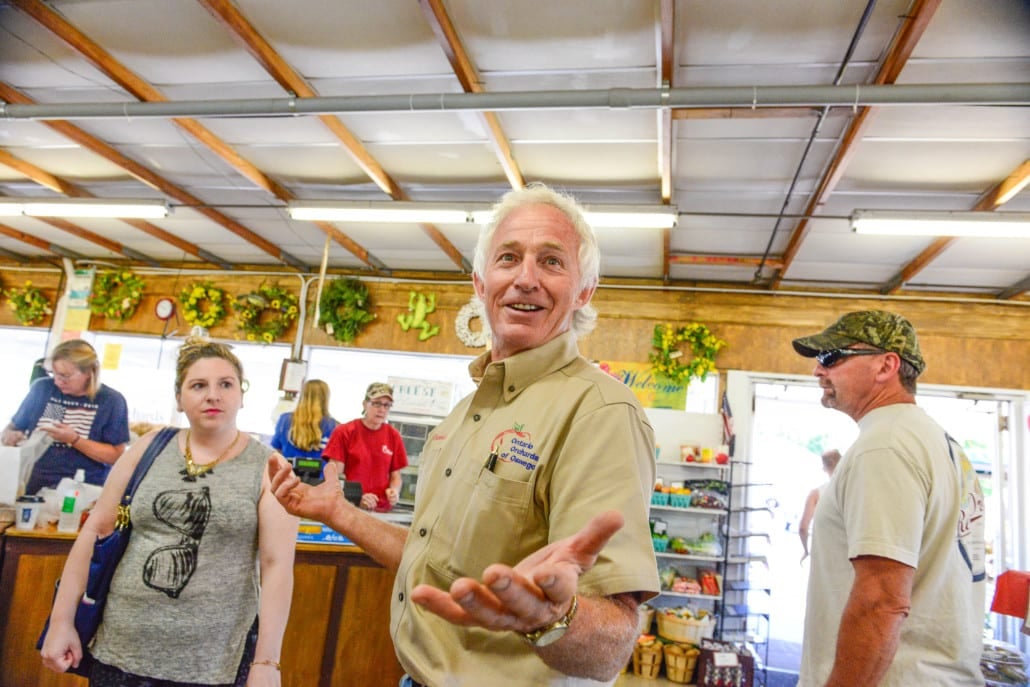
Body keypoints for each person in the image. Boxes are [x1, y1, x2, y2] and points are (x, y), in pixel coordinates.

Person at [268, 182, 660, 686]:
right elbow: (430, 561)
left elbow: (611, 649)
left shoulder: (600, 411)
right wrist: (335, 511)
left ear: (584, 291)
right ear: (480, 283)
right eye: (508, 257)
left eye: (552, 261)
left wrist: (550, 618)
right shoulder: (465, 413)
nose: (525, 278)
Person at [40, 336, 298, 686]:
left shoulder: (268, 466)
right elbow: (95, 531)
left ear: (241, 394)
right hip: (119, 651)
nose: (213, 395)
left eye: (226, 384)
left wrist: (267, 662)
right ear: (179, 397)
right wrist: (61, 621)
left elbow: (277, 566)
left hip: (212, 664)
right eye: (198, 385)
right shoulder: (149, 447)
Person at [792, 310, 985, 686]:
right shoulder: (936, 441)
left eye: (832, 357)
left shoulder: (885, 446)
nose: (818, 371)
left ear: (886, 365)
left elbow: (881, 600)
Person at [2, 339, 130, 494]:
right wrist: (9, 435)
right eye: (54, 374)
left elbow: (115, 455)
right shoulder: (43, 388)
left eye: (65, 376)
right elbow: (13, 427)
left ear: (89, 372)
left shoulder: (110, 401)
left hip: (81, 488)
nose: (57, 381)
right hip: (32, 483)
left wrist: (74, 439)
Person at [321, 382, 407, 512]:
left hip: (382, 512)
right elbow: (335, 476)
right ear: (365, 404)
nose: (382, 409)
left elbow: (396, 476)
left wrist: (394, 491)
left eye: (386, 405)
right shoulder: (345, 432)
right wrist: (356, 498)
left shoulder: (393, 436)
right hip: (348, 508)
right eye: (376, 403)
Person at [270, 379, 338, 459]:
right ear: (325, 398)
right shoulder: (333, 425)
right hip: (320, 471)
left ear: (302, 395)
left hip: (289, 470)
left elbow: (277, 449)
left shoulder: (285, 420)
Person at [798, 448, 841, 564]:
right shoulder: (853, 491)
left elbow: (803, 528)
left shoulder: (816, 494)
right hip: (847, 556)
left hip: (823, 554)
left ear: (824, 468)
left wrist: (806, 550)